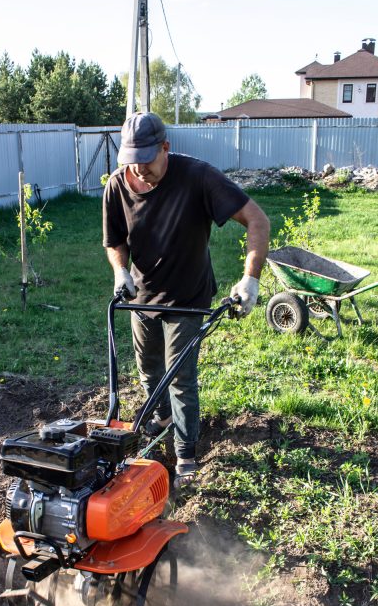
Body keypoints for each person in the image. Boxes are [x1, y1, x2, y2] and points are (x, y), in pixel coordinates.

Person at [102, 112, 270, 488]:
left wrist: (250, 279)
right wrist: (120, 271)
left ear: (166, 147)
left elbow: (257, 220)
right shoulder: (116, 186)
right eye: (132, 161)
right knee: (148, 373)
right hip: (140, 297)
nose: (139, 169)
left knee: (179, 377)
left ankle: (186, 455)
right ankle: (162, 419)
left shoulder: (197, 176)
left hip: (187, 297)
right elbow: (115, 240)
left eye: (147, 159)